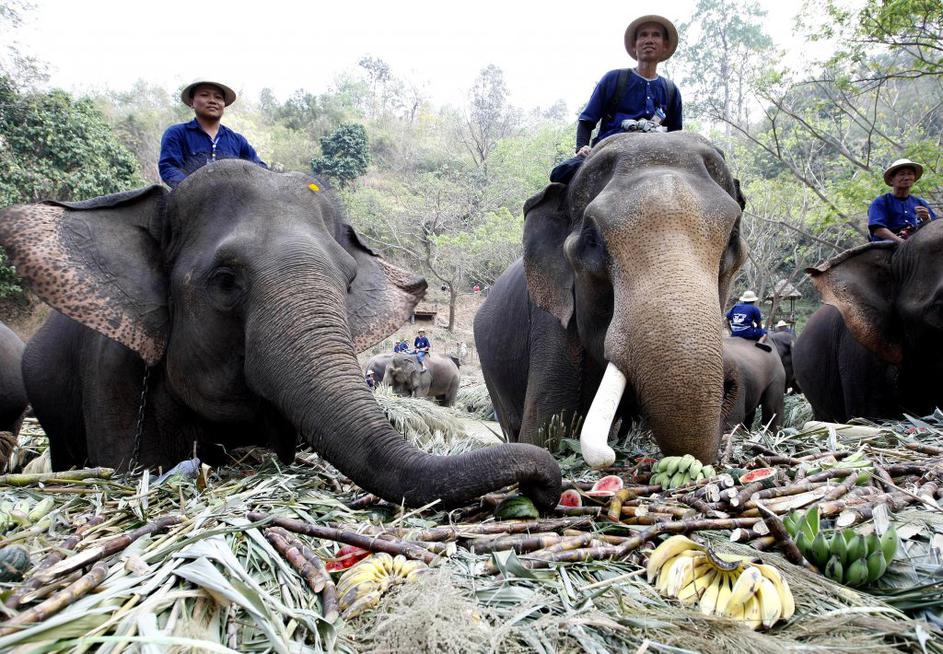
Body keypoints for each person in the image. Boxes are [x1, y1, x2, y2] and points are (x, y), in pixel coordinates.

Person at [550, 15, 682, 184]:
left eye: (656, 35)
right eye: (643, 35)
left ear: (665, 45)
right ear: (634, 45)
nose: (649, 40)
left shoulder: (671, 90)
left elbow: (677, 134)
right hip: (610, 148)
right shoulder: (614, 79)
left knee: (713, 158)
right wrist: (581, 147)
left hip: (659, 152)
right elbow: (587, 120)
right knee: (560, 173)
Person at [159, 79, 267, 189]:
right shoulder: (176, 133)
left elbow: (261, 169)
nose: (212, 101)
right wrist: (192, 190)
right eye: (204, 95)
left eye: (218, 97)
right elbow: (168, 167)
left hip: (232, 202)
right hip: (189, 202)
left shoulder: (237, 141)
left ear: (224, 105)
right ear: (192, 102)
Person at [868, 158, 937, 242]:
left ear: (914, 178)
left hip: (917, 243)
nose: (906, 177)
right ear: (891, 180)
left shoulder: (920, 203)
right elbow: (878, 229)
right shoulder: (881, 201)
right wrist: (902, 243)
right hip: (889, 245)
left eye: (910, 174)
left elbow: (934, 227)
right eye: (902, 174)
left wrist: (926, 219)